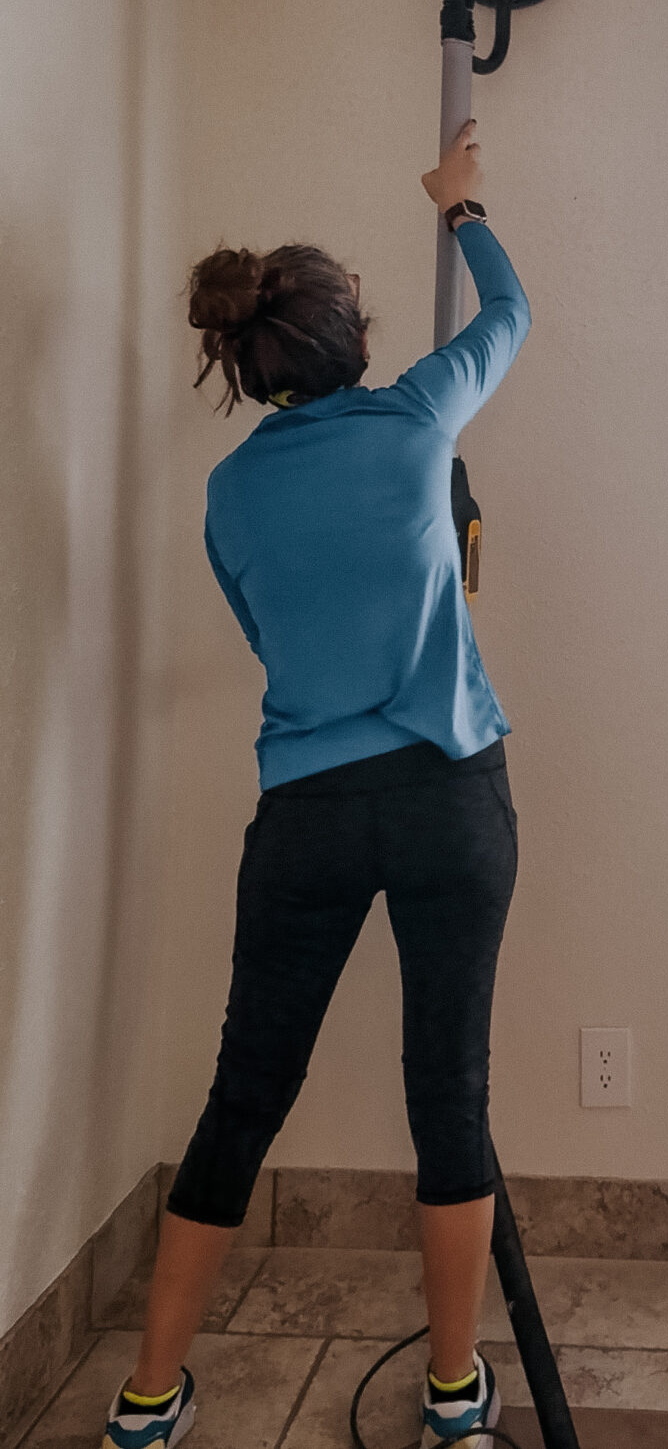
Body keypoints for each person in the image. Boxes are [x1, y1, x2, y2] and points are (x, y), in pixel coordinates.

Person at [101, 120, 531, 1449]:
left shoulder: (231, 494)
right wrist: (459, 204)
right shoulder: (416, 415)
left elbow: (269, 633)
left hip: (308, 815)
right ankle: (457, 1397)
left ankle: (145, 1397)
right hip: (451, 796)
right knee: (446, 1092)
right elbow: (514, 309)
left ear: (254, 359)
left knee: (243, 1092)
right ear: (353, 337)